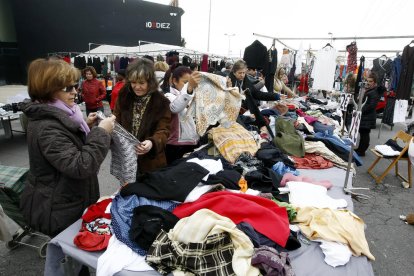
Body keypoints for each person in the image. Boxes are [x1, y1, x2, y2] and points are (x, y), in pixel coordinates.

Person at [20, 58, 116, 237]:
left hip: (67, 201)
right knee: (68, 255)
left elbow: (66, 142)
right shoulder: (48, 127)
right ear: (48, 90)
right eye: (68, 88)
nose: (74, 91)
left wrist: (85, 125)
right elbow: (81, 166)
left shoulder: (59, 115)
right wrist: (102, 132)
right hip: (60, 208)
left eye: (75, 86)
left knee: (67, 256)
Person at [113, 58, 172, 174]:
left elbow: (164, 130)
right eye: (133, 82)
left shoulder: (161, 102)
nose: (137, 87)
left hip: (151, 162)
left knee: (148, 190)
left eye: (141, 83)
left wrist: (152, 142)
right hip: (127, 158)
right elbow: (116, 119)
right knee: (128, 189)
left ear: (150, 82)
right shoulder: (124, 96)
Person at [164, 66, 201, 164]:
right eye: (185, 82)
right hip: (176, 146)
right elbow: (175, 108)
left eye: (190, 83)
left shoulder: (192, 95)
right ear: (174, 81)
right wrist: (188, 89)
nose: (188, 85)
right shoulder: (168, 96)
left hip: (192, 142)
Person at [354, 72, 381, 156]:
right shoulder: (370, 90)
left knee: (365, 134)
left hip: (367, 116)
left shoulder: (374, 92)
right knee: (363, 133)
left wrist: (360, 109)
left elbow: (371, 106)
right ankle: (360, 149)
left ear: (375, 82)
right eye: (367, 81)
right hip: (365, 116)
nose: (368, 83)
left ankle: (361, 151)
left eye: (370, 81)